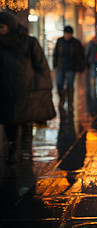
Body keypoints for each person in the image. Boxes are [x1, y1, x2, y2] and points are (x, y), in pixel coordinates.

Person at [0, 12, 55, 164]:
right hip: (5, 90)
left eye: (2, 27)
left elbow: (41, 66)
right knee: (9, 123)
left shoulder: (29, 42)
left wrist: (43, 89)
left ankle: (25, 150)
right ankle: (13, 150)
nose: (0, 30)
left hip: (26, 90)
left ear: (10, 26)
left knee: (26, 123)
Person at [53, 25, 85, 111]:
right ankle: (62, 100)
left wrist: (80, 66)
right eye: (66, 34)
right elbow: (55, 53)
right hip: (61, 66)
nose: (67, 35)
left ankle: (70, 103)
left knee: (70, 85)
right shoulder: (60, 41)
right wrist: (55, 64)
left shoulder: (76, 43)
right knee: (59, 84)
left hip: (71, 67)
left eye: (69, 34)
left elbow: (80, 55)